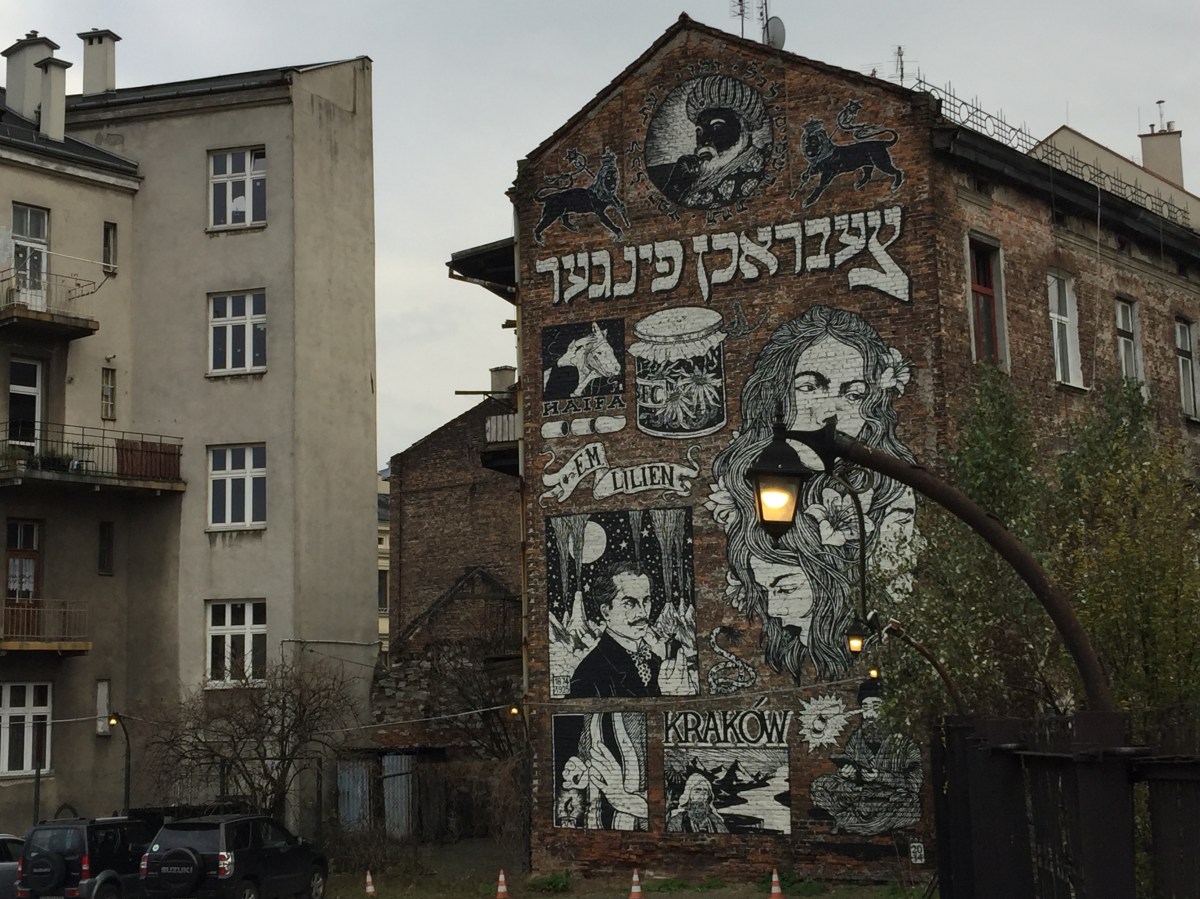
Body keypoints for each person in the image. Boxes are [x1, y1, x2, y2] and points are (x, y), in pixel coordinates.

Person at [708, 306, 916, 681]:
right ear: (776, 397)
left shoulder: (891, 495)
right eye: (809, 387)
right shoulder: (754, 486)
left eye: (854, 395)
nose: (828, 413)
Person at [809, 680, 922, 834]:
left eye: (875, 707)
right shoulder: (857, 739)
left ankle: (849, 821)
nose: (869, 715)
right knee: (820, 785)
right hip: (862, 794)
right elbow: (851, 768)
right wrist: (847, 774)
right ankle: (856, 819)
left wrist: (880, 776)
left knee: (909, 803)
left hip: (888, 797)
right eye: (865, 708)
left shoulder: (905, 743)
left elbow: (914, 784)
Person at [647, 75, 771, 209]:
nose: (705, 140)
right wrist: (677, 184)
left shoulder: (758, 166)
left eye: (717, 127)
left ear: (745, 127)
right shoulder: (699, 174)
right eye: (699, 132)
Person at [568, 561, 663, 698]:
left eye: (646, 601)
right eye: (629, 603)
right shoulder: (588, 677)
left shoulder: (655, 662)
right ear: (606, 612)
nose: (642, 612)